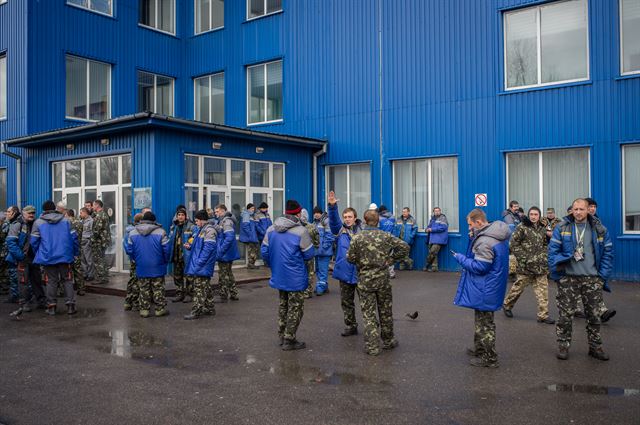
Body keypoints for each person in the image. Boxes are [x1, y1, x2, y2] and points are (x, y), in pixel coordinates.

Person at [548, 198, 613, 361]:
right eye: (575, 209)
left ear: (589, 210)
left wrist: (601, 278)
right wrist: (558, 276)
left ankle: (595, 347)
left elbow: (607, 254)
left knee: (594, 316)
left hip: (592, 280)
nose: (578, 212)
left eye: (581, 209)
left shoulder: (599, 229)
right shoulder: (562, 228)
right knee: (565, 316)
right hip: (568, 279)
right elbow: (552, 252)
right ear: (572, 210)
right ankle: (563, 346)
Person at [453, 209, 510, 368]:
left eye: (470, 225)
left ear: (479, 222)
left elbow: (480, 267)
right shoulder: (493, 234)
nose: (469, 228)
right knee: (481, 319)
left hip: (486, 287)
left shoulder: (485, 241)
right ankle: (479, 348)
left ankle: (489, 358)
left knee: (485, 323)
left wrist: (461, 258)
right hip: (490, 285)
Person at [347, 209, 409, 356]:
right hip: (383, 279)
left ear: (364, 220)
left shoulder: (357, 237)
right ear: (378, 221)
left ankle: (373, 346)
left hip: (365, 280)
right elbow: (405, 247)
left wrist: (361, 262)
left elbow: (349, 257)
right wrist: (391, 260)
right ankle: (388, 341)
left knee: (368, 314)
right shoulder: (385, 236)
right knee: (385, 311)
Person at [261, 199, 315, 350]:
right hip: (296, 276)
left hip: (279, 273)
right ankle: (289, 339)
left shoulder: (271, 229)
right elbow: (309, 254)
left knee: (283, 304)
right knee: (296, 307)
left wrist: (274, 265)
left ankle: (282, 335)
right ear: (298, 213)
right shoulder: (301, 231)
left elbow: (264, 252)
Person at [502, 207, 555, 324]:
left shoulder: (542, 228)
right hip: (525, 266)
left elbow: (545, 244)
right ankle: (507, 305)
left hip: (540, 266)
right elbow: (513, 244)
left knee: (543, 291)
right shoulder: (522, 227)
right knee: (518, 288)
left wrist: (544, 256)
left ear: (539, 216)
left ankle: (543, 315)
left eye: (536, 214)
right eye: (531, 214)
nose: (533, 216)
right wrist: (525, 258)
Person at [31, 201, 79, 316]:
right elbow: (74, 239)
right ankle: (70, 306)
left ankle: (52, 307)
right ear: (55, 208)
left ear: (43, 210)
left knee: (51, 281)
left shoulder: (38, 222)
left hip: (48, 257)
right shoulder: (66, 221)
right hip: (65, 256)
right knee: (67, 280)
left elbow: (34, 242)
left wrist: (39, 253)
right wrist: (75, 253)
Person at [327, 190, 362, 337]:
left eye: (349, 217)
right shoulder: (340, 230)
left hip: (361, 272)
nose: (347, 219)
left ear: (355, 218)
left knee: (366, 302)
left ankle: (372, 325)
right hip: (345, 272)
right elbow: (334, 221)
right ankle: (350, 326)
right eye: (345, 217)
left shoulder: (363, 231)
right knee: (347, 302)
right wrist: (332, 206)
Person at [125, 211, 172, 318]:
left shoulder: (133, 233)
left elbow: (129, 250)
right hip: (157, 265)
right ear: (154, 221)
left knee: (143, 288)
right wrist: (165, 261)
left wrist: (135, 260)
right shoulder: (161, 232)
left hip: (141, 265)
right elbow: (167, 249)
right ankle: (159, 309)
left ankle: (144, 310)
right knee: (158, 288)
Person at [8, 206, 45, 313]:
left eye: (33, 213)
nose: (31, 215)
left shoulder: (36, 224)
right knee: (23, 281)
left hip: (34, 258)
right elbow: (11, 243)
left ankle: (41, 300)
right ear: (23, 213)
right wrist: (21, 256)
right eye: (29, 213)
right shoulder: (17, 224)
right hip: (23, 258)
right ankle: (24, 303)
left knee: (37, 280)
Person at [184, 210, 218, 320]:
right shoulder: (200, 230)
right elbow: (196, 244)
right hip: (200, 264)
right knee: (205, 286)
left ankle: (196, 311)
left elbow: (208, 248)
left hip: (203, 264)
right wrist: (189, 245)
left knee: (199, 288)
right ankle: (209, 308)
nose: (196, 223)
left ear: (202, 220)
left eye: (197, 221)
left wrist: (199, 262)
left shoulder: (209, 231)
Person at [214, 204, 241, 302]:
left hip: (225, 253)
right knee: (228, 273)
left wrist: (221, 250)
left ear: (222, 211)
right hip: (227, 253)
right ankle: (233, 293)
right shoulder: (222, 221)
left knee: (223, 274)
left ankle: (223, 295)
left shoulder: (226, 221)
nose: (215, 213)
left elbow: (229, 237)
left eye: (217, 211)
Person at [170, 206, 196, 303]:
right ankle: (179, 294)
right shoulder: (174, 226)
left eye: (182, 215)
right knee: (177, 276)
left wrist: (189, 243)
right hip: (177, 255)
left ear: (185, 216)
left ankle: (190, 294)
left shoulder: (191, 226)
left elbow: (195, 235)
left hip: (186, 256)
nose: (180, 217)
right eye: (179, 215)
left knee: (189, 276)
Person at [123, 213, 143, 311]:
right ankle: (135, 302)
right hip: (138, 259)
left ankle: (128, 302)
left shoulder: (128, 231)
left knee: (132, 280)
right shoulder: (136, 232)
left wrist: (132, 256)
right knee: (137, 282)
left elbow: (127, 247)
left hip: (133, 259)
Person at [312, 206, 334, 296]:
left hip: (324, 252)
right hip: (317, 251)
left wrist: (323, 248)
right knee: (318, 270)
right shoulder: (315, 223)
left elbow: (329, 236)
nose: (316, 214)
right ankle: (322, 286)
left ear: (321, 213)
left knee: (322, 270)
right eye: (314, 213)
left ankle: (320, 288)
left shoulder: (326, 221)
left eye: (318, 212)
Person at [65, 209, 86, 296]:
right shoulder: (79, 223)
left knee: (67, 270)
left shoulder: (66, 223)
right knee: (78, 269)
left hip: (68, 249)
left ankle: (64, 290)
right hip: (78, 248)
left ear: (67, 214)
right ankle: (81, 289)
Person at [300, 209, 320, 298]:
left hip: (298, 254)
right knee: (310, 272)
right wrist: (315, 246)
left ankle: (300, 290)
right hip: (309, 253)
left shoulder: (296, 227)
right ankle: (308, 291)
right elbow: (317, 241)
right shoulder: (312, 227)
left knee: (300, 272)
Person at [92, 200, 111, 284]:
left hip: (99, 240)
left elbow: (97, 229)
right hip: (103, 240)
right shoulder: (103, 214)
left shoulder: (100, 215)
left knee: (98, 259)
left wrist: (92, 240)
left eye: (93, 205)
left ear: (97, 205)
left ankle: (101, 278)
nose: (92, 207)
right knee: (102, 258)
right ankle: (105, 276)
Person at [424, 207, 449, 272]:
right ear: (433, 212)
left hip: (439, 239)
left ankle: (426, 265)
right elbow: (429, 226)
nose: (437, 212)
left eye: (438, 211)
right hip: (431, 239)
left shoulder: (443, 218)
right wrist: (426, 229)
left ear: (440, 211)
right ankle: (434, 268)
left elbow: (443, 228)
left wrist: (432, 229)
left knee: (432, 252)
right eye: (435, 211)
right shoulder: (432, 219)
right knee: (434, 254)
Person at [377, 205, 397, 278]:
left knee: (382, 256)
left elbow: (378, 229)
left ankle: (383, 273)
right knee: (390, 256)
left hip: (383, 239)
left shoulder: (379, 218)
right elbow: (395, 228)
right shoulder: (392, 217)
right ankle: (391, 273)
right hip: (391, 238)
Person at [240, 203, 260, 269]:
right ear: (248, 209)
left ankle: (251, 264)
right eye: (252, 208)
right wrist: (251, 234)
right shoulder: (246, 215)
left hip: (252, 236)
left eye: (254, 208)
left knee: (254, 249)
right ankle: (251, 264)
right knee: (252, 250)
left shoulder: (251, 215)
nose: (253, 210)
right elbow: (245, 226)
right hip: (250, 236)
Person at [79, 207, 95, 282]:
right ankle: (85, 274)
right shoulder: (82, 221)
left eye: (81, 213)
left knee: (89, 259)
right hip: (81, 241)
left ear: (85, 212)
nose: (80, 214)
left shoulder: (91, 221)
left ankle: (91, 275)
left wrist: (90, 241)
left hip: (87, 241)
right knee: (83, 259)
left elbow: (92, 232)